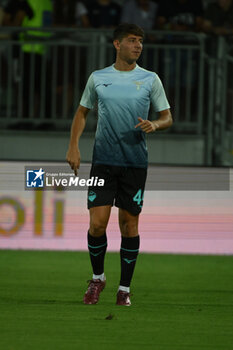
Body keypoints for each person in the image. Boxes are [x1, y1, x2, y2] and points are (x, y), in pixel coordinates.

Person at [66, 23, 173, 306]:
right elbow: (82, 112)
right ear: (117, 44)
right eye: (132, 40)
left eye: (140, 41)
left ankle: (124, 289)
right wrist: (74, 145)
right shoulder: (98, 77)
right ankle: (97, 279)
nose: (138, 45)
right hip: (103, 162)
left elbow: (167, 117)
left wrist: (155, 124)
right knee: (97, 224)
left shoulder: (150, 79)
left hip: (134, 163)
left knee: (129, 225)